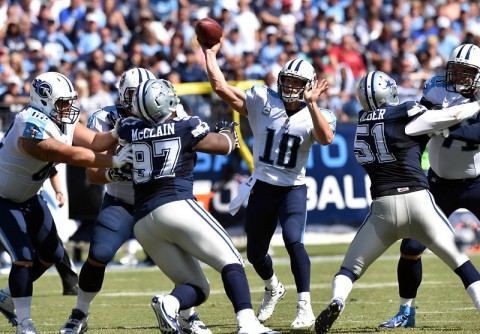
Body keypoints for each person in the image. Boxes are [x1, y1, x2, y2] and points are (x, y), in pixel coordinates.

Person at [314, 71, 480, 334]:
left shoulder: (360, 125)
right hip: (418, 201)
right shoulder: (407, 113)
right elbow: (450, 116)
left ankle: (337, 299)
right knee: (464, 267)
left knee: (349, 269)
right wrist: (475, 104)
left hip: (383, 209)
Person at [117, 78, 279, 334]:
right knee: (232, 261)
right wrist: (228, 130)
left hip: (142, 222)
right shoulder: (185, 125)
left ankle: (169, 304)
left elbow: (112, 138)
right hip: (176, 205)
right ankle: (248, 323)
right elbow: (225, 146)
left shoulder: (128, 129)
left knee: (196, 287)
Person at [58, 68, 209, 334]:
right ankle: (79, 312)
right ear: (121, 95)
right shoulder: (107, 118)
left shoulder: (170, 111)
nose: (139, 98)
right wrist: (116, 169)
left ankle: (188, 313)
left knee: (182, 257)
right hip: (122, 201)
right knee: (99, 255)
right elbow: (93, 176)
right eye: (132, 93)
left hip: (161, 200)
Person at [198, 38, 336, 328]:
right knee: (255, 254)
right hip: (262, 185)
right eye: (286, 81)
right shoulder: (263, 99)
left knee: (293, 239)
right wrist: (209, 54)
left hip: (292, 189)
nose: (289, 87)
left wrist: (312, 105)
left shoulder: (317, 115)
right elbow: (221, 88)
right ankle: (274, 287)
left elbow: (326, 139)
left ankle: (304, 306)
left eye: (297, 83)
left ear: (309, 86)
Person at [0, 71, 132, 334]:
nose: (68, 108)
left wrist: (118, 130)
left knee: (52, 255)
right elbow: (71, 154)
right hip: (3, 199)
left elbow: (96, 141)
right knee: (24, 258)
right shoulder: (29, 122)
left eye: (69, 101)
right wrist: (114, 161)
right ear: (43, 100)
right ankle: (25, 324)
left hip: (29, 197)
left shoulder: (60, 120)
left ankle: (5, 298)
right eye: (63, 102)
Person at [379, 43, 480, 329]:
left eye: (467, 71)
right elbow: (419, 120)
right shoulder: (437, 88)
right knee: (411, 246)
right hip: (437, 183)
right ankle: (405, 311)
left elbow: (477, 133)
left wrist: (444, 127)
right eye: (456, 69)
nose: (459, 75)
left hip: (477, 182)